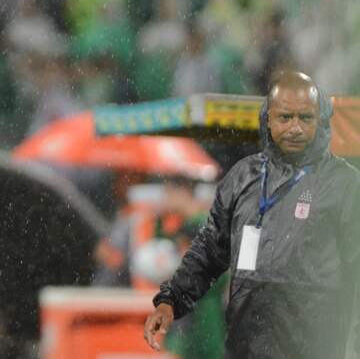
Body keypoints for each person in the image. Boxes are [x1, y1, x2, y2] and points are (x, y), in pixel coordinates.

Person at [144, 71, 360, 358]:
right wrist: (171, 301)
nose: (295, 128)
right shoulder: (243, 177)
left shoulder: (345, 185)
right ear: (268, 119)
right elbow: (210, 248)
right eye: (285, 117)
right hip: (247, 347)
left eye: (305, 118)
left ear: (320, 122)